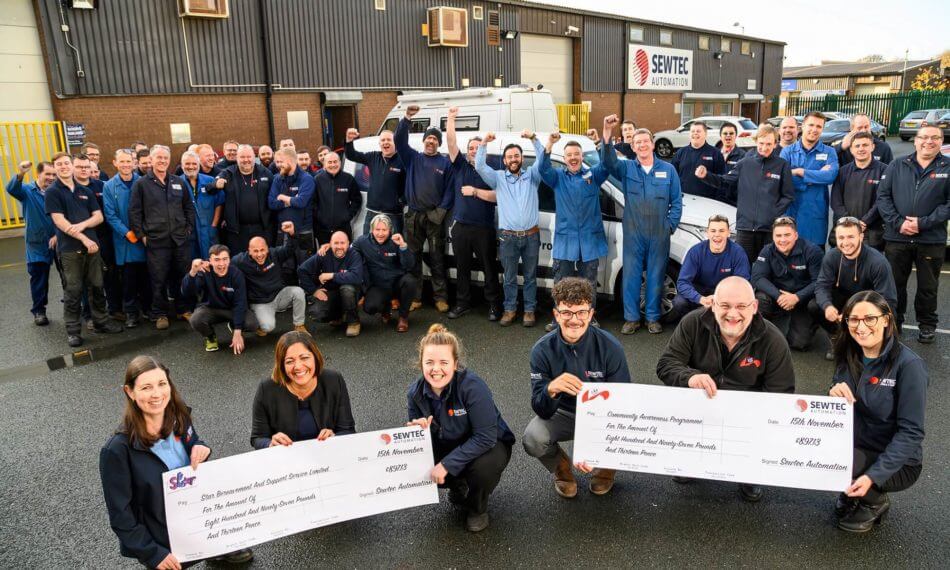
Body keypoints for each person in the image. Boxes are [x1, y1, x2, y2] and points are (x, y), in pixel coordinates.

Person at [100, 356, 254, 569]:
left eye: (162, 384)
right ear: (130, 392)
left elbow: (194, 441)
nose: (156, 394)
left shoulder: (178, 416)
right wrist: (152, 553)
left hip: (197, 512)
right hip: (160, 535)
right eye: (146, 387)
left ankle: (219, 549)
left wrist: (201, 447)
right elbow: (120, 515)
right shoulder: (117, 450)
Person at [657, 276, 795, 502]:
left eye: (741, 306)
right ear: (712, 305)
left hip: (747, 418)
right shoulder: (692, 323)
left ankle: (749, 470)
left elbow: (782, 394)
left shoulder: (773, 339)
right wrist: (690, 377)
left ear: (754, 307)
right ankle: (689, 458)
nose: (733, 314)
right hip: (699, 408)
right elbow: (666, 365)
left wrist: (759, 427)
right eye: (725, 305)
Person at [828, 291, 927, 533]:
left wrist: (874, 476)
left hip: (899, 462)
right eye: (853, 319)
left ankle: (874, 500)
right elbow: (836, 407)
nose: (860, 327)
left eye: (869, 319)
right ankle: (854, 490)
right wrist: (832, 392)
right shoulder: (849, 354)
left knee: (846, 466)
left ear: (886, 319)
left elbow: (911, 433)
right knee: (818, 454)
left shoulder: (909, 366)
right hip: (858, 444)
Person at [523, 278, 631, 499]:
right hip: (563, 413)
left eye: (581, 312)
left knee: (627, 430)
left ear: (591, 314)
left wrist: (594, 447)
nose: (574, 320)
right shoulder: (541, 351)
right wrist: (550, 389)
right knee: (533, 438)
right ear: (556, 314)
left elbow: (624, 404)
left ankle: (606, 468)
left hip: (604, 416)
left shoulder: (611, 348)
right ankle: (562, 469)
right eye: (566, 313)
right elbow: (541, 409)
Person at [407, 324, 514, 532]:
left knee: (484, 469)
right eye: (429, 362)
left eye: (443, 362)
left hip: (489, 444)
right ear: (421, 364)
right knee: (417, 462)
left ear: (455, 364)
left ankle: (477, 507)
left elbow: (486, 437)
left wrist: (446, 465)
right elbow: (421, 442)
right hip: (450, 443)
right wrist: (417, 433)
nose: (436, 369)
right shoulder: (414, 393)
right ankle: (458, 484)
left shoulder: (473, 387)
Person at [601, 119, 682, 335]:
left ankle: (653, 318)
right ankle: (631, 318)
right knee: (632, 276)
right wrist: (607, 132)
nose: (642, 145)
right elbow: (608, 162)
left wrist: (669, 226)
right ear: (633, 146)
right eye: (638, 142)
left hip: (659, 232)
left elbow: (676, 202)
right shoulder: (626, 168)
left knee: (656, 275)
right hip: (634, 231)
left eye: (646, 141)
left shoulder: (668, 170)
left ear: (653, 144)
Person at [876, 125, 949, 345]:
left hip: (930, 238)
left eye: (934, 138)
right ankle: (894, 322)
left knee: (928, 286)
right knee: (895, 284)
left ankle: (927, 325)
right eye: (924, 137)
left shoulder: (947, 166)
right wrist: (899, 223)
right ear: (915, 141)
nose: (929, 142)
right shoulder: (897, 165)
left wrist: (922, 224)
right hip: (897, 238)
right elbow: (883, 196)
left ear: (941, 141)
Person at [45, 152, 123, 346]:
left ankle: (101, 322)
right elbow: (59, 221)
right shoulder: (53, 192)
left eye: (66, 163)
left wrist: (81, 226)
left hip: (92, 247)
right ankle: (73, 331)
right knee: (73, 290)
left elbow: (98, 217)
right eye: (59, 164)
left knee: (97, 285)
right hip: (70, 249)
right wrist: (82, 237)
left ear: (72, 166)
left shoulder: (85, 191)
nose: (63, 167)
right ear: (55, 168)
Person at [538, 131, 610, 331]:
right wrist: (549, 144)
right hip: (566, 240)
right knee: (562, 283)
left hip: (589, 240)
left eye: (576, 154)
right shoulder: (558, 177)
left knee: (589, 283)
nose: (573, 158)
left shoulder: (593, 175)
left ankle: (589, 318)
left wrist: (601, 142)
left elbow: (606, 165)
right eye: (569, 155)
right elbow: (542, 169)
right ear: (565, 158)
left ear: (581, 156)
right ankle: (559, 318)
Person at [475, 129, 546, 327]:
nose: (513, 159)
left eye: (516, 155)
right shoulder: (498, 178)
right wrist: (484, 143)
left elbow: (543, 159)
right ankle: (510, 309)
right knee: (509, 277)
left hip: (531, 236)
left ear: (522, 158)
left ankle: (530, 311)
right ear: (505, 161)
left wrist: (534, 138)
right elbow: (480, 166)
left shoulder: (532, 176)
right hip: (508, 237)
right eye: (509, 157)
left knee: (531, 276)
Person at [695, 124, 794, 264]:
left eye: (769, 144)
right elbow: (724, 182)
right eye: (761, 143)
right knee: (742, 266)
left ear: (775, 144)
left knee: (766, 267)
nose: (764, 147)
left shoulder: (782, 165)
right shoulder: (744, 163)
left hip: (768, 229)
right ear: (756, 141)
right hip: (745, 228)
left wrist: (772, 213)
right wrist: (706, 176)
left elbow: (788, 195)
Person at [251, 330, 356, 449]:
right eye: (290, 361)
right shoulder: (266, 389)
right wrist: (270, 444)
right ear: (282, 365)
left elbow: (347, 429)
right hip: (287, 460)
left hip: (327, 455)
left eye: (304, 358)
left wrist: (335, 437)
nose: (298, 367)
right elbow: (257, 437)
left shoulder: (334, 380)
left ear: (315, 357)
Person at [129, 145, 196, 330]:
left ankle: (183, 309)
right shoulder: (141, 184)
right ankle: (160, 313)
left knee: (182, 276)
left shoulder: (177, 181)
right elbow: (134, 212)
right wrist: (142, 236)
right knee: (158, 279)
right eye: (159, 158)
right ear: (151, 159)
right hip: (156, 241)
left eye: (165, 158)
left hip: (179, 239)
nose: (162, 161)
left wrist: (188, 228)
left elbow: (188, 207)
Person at [811, 217, 897, 360]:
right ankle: (837, 337)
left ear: (861, 236)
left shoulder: (878, 262)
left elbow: (888, 300)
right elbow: (821, 286)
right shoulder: (831, 256)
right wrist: (828, 307)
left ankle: (863, 339)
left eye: (851, 236)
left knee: (877, 351)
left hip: (869, 302)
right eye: (841, 237)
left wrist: (859, 314)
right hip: (843, 299)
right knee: (814, 305)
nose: (845, 243)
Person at [394, 105, 454, 313]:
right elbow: (399, 140)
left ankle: (440, 297)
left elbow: (449, 191)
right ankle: (415, 297)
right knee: (413, 259)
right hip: (413, 216)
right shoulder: (412, 158)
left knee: (437, 259)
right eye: (429, 138)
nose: (431, 141)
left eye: (435, 139)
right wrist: (407, 118)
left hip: (434, 217)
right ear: (424, 141)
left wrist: (441, 211)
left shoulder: (445, 163)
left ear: (439, 143)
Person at [443, 107, 501, 321]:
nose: (474, 150)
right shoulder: (461, 167)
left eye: (478, 147)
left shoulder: (491, 170)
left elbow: (498, 197)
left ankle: (495, 306)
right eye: (471, 147)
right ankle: (462, 304)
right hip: (461, 228)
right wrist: (451, 118)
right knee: (462, 268)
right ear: (467, 152)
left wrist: (475, 192)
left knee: (489, 269)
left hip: (483, 228)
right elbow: (450, 143)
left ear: (484, 150)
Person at [751, 217, 823, 351]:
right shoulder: (767, 250)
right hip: (777, 298)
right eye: (778, 235)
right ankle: (761, 332)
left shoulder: (813, 251)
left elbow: (819, 282)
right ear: (773, 236)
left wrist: (796, 297)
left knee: (799, 343)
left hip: (802, 300)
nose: (782, 240)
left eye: (787, 235)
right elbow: (757, 278)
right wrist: (778, 296)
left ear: (796, 235)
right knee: (760, 297)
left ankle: (811, 324)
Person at [7, 160, 60, 325]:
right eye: (48, 174)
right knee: (39, 279)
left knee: (69, 276)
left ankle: (75, 306)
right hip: (36, 243)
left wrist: (59, 234)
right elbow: (12, 189)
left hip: (60, 239)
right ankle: (39, 311)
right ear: (39, 174)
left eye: (54, 174)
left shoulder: (59, 191)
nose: (51, 178)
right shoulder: (27, 191)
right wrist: (21, 173)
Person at [232, 221, 307, 337]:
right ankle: (257, 319)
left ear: (267, 248)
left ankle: (299, 325)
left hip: (278, 296)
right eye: (255, 251)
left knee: (298, 292)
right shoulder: (240, 261)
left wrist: (292, 233)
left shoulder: (274, 254)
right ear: (249, 251)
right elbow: (224, 264)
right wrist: (208, 264)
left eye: (262, 250)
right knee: (268, 327)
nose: (259, 254)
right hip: (260, 302)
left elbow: (290, 249)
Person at [103, 149, 151, 328]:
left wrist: (143, 233)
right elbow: (110, 214)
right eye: (121, 162)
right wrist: (127, 232)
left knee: (147, 277)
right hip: (125, 241)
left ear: (134, 163)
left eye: (128, 161)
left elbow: (151, 210)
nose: (125, 165)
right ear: (115, 163)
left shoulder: (143, 182)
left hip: (144, 238)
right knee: (128, 280)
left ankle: (148, 308)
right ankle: (131, 313)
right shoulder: (109, 186)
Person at [672, 215, 750, 321]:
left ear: (728, 233)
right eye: (713, 231)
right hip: (699, 292)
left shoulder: (738, 252)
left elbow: (742, 283)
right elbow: (682, 283)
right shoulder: (696, 252)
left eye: (721, 231)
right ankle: (692, 325)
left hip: (725, 294)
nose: (717, 235)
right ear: (708, 233)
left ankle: (725, 327)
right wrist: (700, 299)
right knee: (679, 302)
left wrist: (722, 299)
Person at [181, 244, 257, 354]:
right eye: (217, 260)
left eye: (225, 259)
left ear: (229, 259)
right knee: (195, 320)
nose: (221, 264)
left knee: (252, 324)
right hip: (211, 309)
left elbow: (240, 303)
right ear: (210, 261)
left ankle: (233, 324)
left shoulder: (236, 274)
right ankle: (210, 336)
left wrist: (237, 332)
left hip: (232, 309)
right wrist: (193, 272)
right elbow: (186, 292)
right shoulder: (204, 271)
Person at [76, 153, 123, 319]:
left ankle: (115, 309)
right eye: (80, 167)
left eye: (87, 167)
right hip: (82, 239)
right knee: (88, 280)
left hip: (105, 237)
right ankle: (90, 315)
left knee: (110, 275)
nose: (85, 170)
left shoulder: (102, 186)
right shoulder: (70, 188)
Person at [781, 111, 839, 247]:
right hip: (792, 212)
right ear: (802, 126)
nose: (814, 129)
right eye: (811, 125)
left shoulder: (829, 152)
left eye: (819, 126)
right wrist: (817, 175)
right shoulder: (787, 152)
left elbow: (830, 176)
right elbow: (783, 179)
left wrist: (800, 172)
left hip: (815, 216)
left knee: (815, 260)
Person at [352, 214, 416, 332]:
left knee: (410, 281)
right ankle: (385, 308)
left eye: (384, 230)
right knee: (370, 308)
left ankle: (403, 318)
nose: (380, 233)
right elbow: (348, 250)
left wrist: (403, 246)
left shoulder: (396, 241)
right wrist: (330, 246)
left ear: (390, 230)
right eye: (377, 229)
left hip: (397, 282)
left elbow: (409, 265)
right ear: (371, 229)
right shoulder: (362, 241)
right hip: (378, 285)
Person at [298, 231, 365, 337]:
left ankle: (353, 321)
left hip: (351, 291)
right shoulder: (324, 253)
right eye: (336, 243)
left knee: (346, 289)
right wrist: (314, 291)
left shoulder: (354, 255)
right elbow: (302, 270)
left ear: (348, 243)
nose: (339, 246)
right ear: (330, 243)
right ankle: (337, 315)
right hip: (332, 291)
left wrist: (331, 275)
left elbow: (356, 277)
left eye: (342, 243)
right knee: (317, 312)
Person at [212, 144, 275, 254]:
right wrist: (216, 184)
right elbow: (210, 187)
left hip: (262, 228)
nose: (246, 160)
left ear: (254, 157)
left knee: (262, 258)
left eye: (249, 157)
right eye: (242, 157)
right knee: (239, 262)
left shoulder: (265, 173)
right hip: (237, 231)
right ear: (237, 158)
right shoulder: (228, 173)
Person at [830, 131, 887, 250]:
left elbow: (883, 200)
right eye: (857, 146)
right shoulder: (842, 172)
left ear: (873, 147)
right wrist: (849, 222)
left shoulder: (885, 170)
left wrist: (865, 221)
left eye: (865, 145)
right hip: (844, 230)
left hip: (871, 233)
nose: (861, 149)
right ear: (851, 150)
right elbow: (836, 201)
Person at [345, 127, 406, 236]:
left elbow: (410, 185)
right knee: (368, 245)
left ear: (395, 142)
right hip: (372, 212)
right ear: (379, 144)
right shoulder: (373, 157)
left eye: (389, 140)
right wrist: (349, 142)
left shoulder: (402, 160)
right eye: (383, 140)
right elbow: (351, 155)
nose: (385, 142)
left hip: (393, 214)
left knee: (394, 246)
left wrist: (401, 201)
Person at [268, 147, 316, 268]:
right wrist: (291, 200)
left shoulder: (307, 179)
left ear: (290, 161)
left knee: (305, 266)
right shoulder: (277, 179)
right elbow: (272, 203)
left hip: (303, 230)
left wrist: (282, 197)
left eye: (281, 162)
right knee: (285, 268)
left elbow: (301, 202)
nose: (279, 165)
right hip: (283, 230)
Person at [179, 151, 223, 260]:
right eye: (187, 164)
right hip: (188, 233)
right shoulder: (177, 183)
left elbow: (219, 203)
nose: (191, 167)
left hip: (209, 231)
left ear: (198, 165)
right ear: (181, 165)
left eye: (194, 164)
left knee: (211, 260)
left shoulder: (209, 181)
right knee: (193, 263)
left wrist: (214, 224)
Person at [311, 151, 361, 245]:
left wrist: (348, 215)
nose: (333, 165)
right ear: (324, 164)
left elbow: (357, 200)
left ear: (340, 163)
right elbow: (313, 202)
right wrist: (320, 216)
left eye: (335, 162)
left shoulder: (348, 179)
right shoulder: (317, 180)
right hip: (323, 230)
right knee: (325, 256)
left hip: (343, 229)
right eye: (329, 162)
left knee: (344, 256)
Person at [671, 121, 726, 200]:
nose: (695, 133)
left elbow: (722, 180)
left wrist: (718, 199)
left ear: (705, 134)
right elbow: (673, 177)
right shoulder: (680, 153)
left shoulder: (715, 153)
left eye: (698, 131)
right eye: (692, 131)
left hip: (708, 200)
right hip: (684, 199)